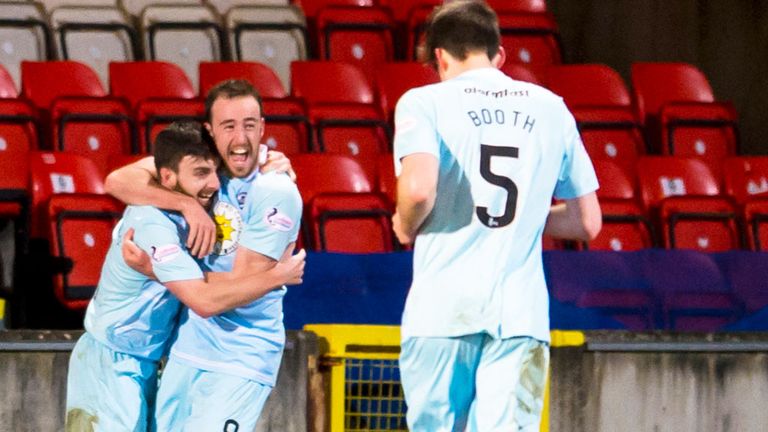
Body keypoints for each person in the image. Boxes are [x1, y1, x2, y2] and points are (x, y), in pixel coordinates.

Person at [391, 1, 602, 431]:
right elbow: (587, 222)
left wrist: (404, 223)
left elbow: (417, 188)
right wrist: (525, 216)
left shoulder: (423, 101)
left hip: (441, 313)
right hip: (518, 315)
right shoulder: (551, 107)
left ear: (440, 57)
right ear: (499, 55)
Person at [65, 121, 305, 432]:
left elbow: (205, 279)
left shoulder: (190, 206)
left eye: (214, 172)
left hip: (147, 362)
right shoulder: (152, 222)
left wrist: (274, 164)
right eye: (201, 173)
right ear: (167, 177)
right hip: (110, 361)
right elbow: (202, 298)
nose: (214, 183)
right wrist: (275, 278)